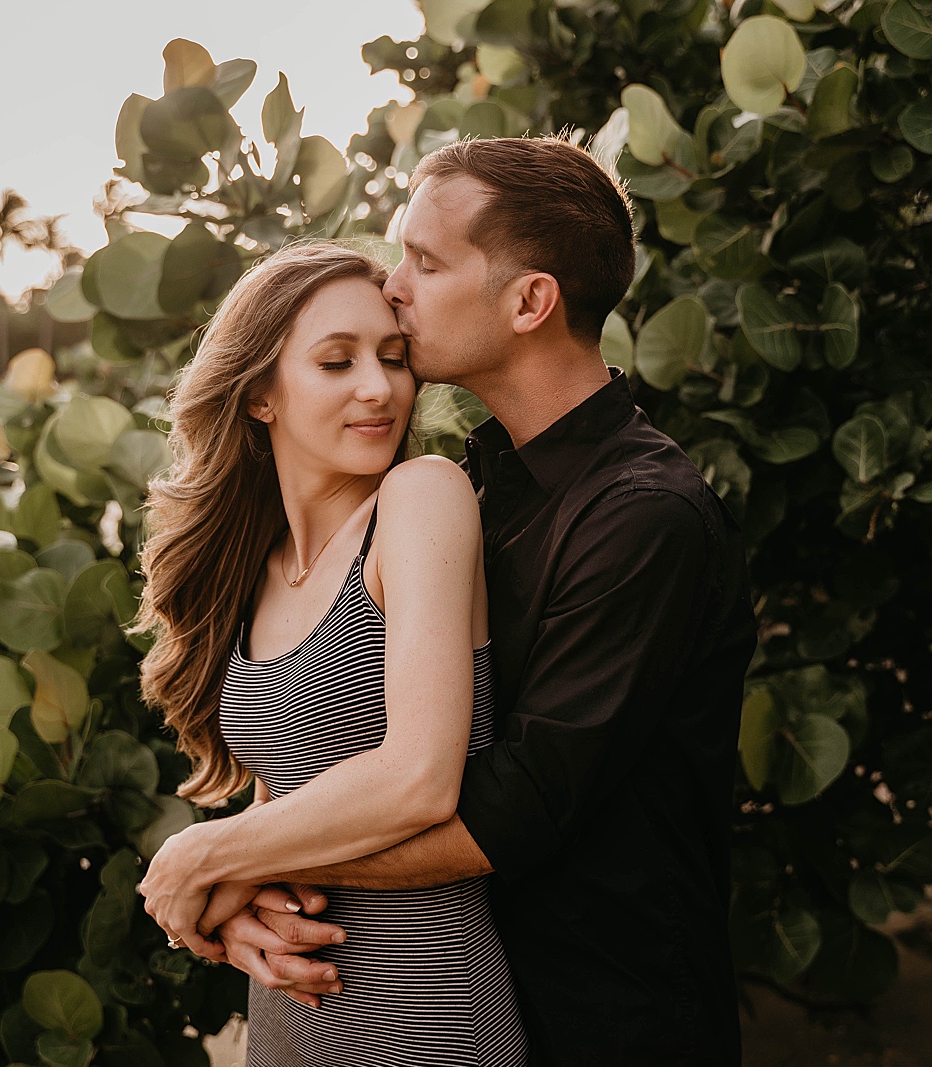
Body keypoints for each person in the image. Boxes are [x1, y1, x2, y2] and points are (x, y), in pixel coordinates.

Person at [167, 137, 758, 1065]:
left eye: (426, 261)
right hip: (413, 991)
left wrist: (229, 862)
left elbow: (505, 809)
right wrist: (248, 883)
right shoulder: (481, 483)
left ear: (530, 302)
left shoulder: (646, 518)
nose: (395, 284)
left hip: (604, 1022)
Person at [133, 241, 527, 1066]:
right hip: (288, 1020)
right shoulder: (257, 564)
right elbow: (292, 804)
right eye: (336, 361)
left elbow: (418, 777)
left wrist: (203, 856)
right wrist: (238, 908)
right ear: (260, 396)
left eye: (392, 357)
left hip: (427, 1024)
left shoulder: (420, 498)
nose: (379, 387)